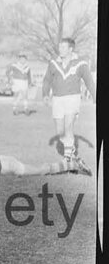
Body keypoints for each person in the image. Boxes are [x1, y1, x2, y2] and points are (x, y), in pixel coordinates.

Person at [41, 37, 95, 171]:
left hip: (73, 98)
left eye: (63, 47)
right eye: (60, 47)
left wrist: (95, 96)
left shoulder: (80, 63)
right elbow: (47, 80)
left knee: (68, 127)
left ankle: (68, 159)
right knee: (60, 132)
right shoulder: (53, 63)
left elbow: (89, 81)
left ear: (71, 49)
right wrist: (45, 95)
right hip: (57, 99)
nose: (60, 50)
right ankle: (72, 154)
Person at [0, 149, 90, 188]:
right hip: (1, 158)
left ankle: (73, 164)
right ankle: (70, 166)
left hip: (8, 167)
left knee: (41, 170)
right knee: (39, 169)